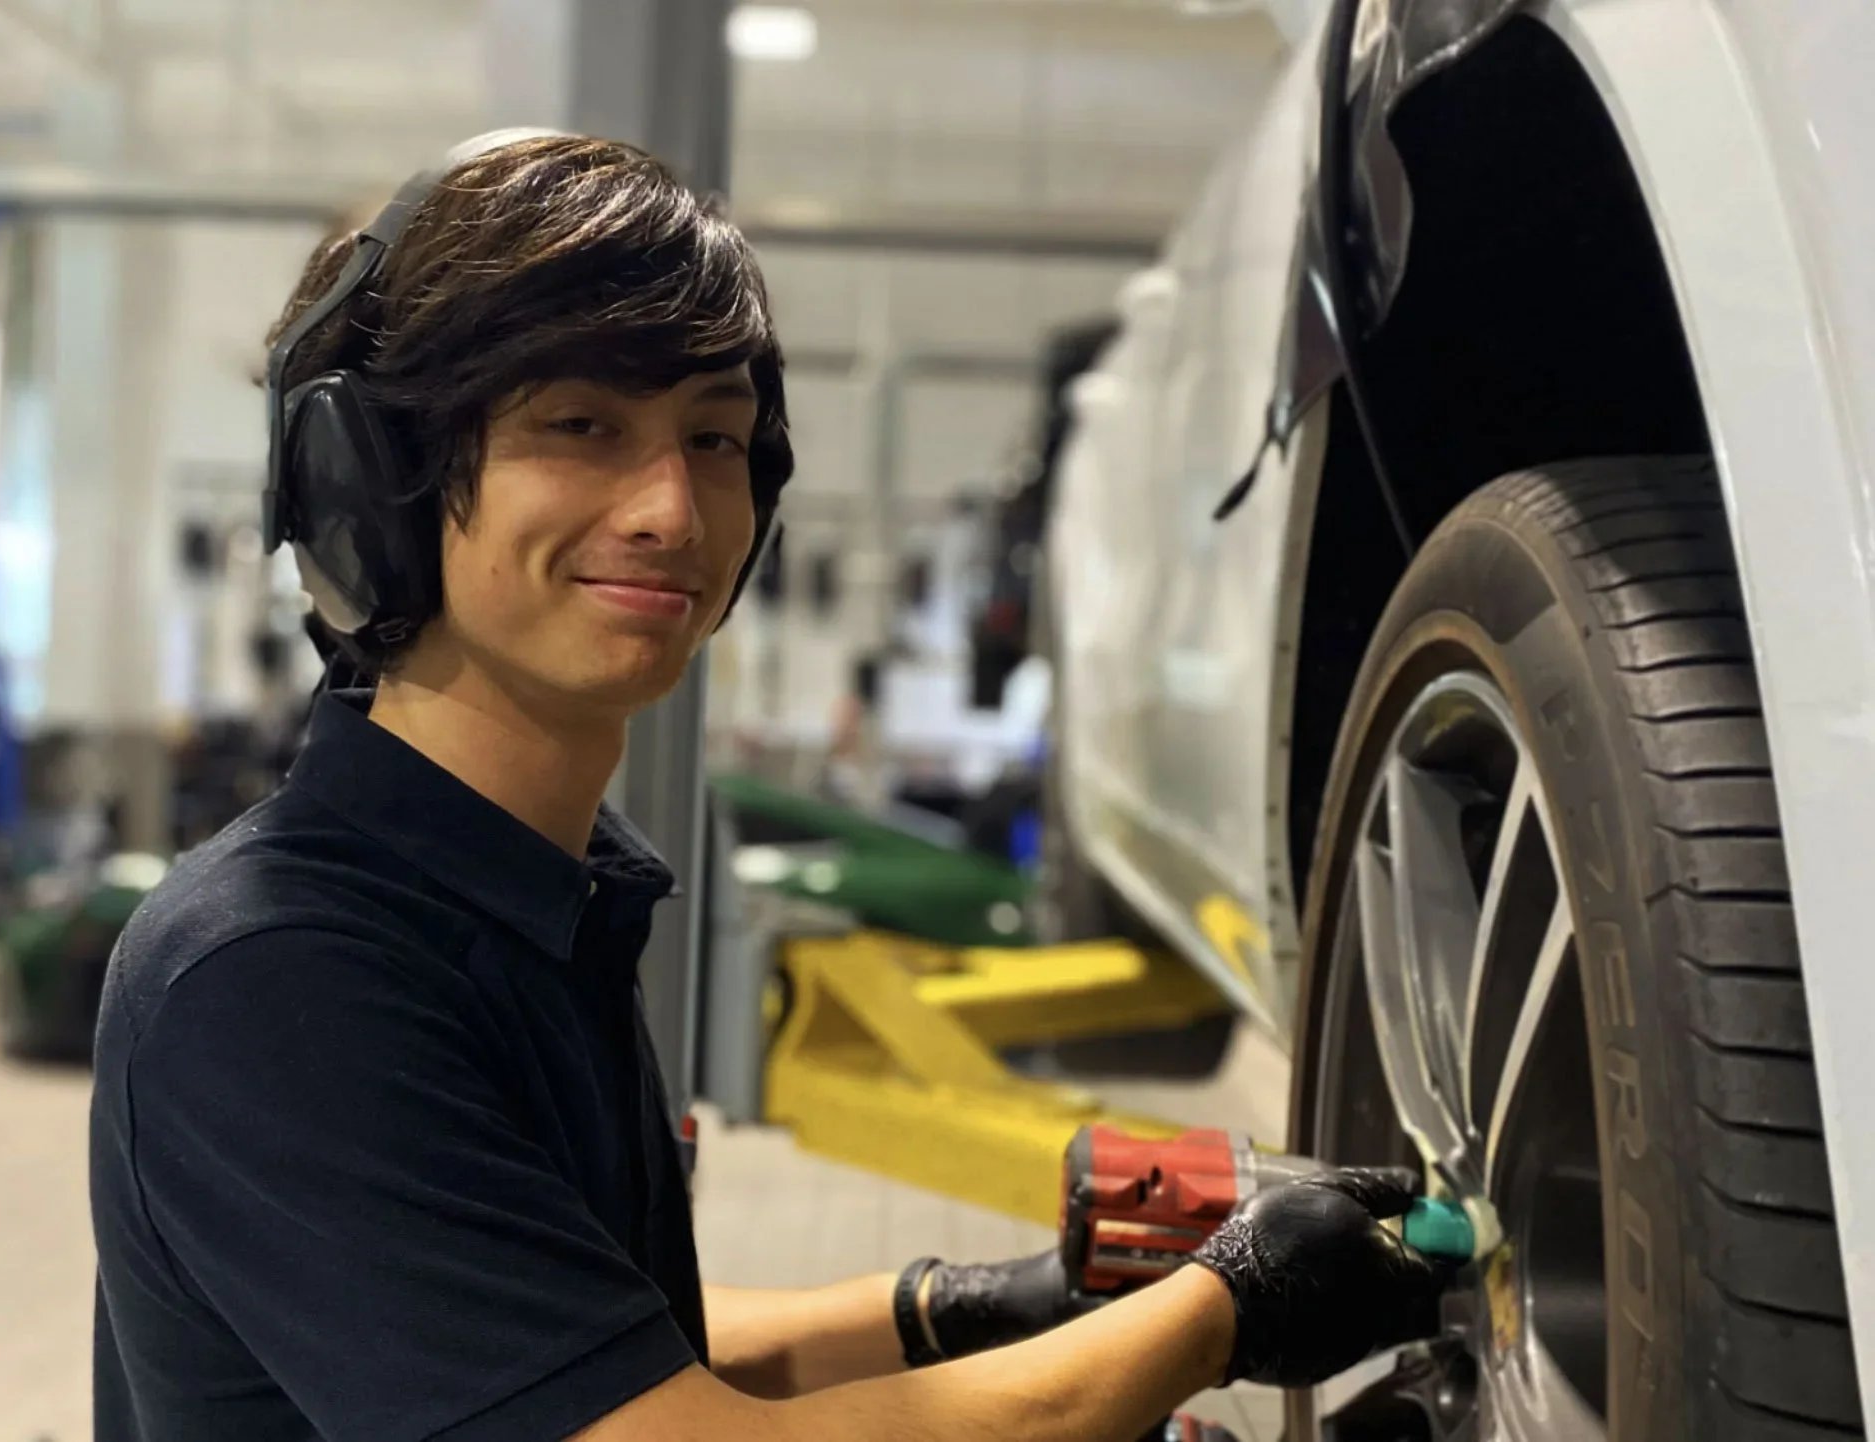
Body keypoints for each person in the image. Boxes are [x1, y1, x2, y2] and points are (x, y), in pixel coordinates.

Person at [88, 132, 1448, 1442]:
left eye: (716, 441)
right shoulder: (277, 976)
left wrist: (977, 1307)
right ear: (361, 481)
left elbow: (581, 1342)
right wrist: (1222, 1308)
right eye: (581, 424)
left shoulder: (525, 896)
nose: (672, 512)